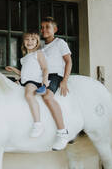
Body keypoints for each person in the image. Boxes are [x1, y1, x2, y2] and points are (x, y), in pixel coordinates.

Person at [5, 32, 49, 138]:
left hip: (34, 81)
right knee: (8, 90)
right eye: (27, 40)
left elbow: (45, 68)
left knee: (29, 95)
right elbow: (24, 74)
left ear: (37, 42)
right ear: (23, 42)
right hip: (24, 80)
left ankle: (38, 124)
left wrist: (45, 79)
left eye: (33, 39)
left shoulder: (38, 53)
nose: (30, 42)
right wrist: (13, 69)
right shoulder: (25, 58)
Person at [40, 16, 72, 151]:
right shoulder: (40, 45)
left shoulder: (60, 42)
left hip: (55, 75)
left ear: (55, 29)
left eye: (47, 27)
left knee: (47, 96)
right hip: (41, 76)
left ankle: (62, 132)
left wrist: (65, 80)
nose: (44, 30)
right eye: (42, 27)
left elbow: (68, 62)